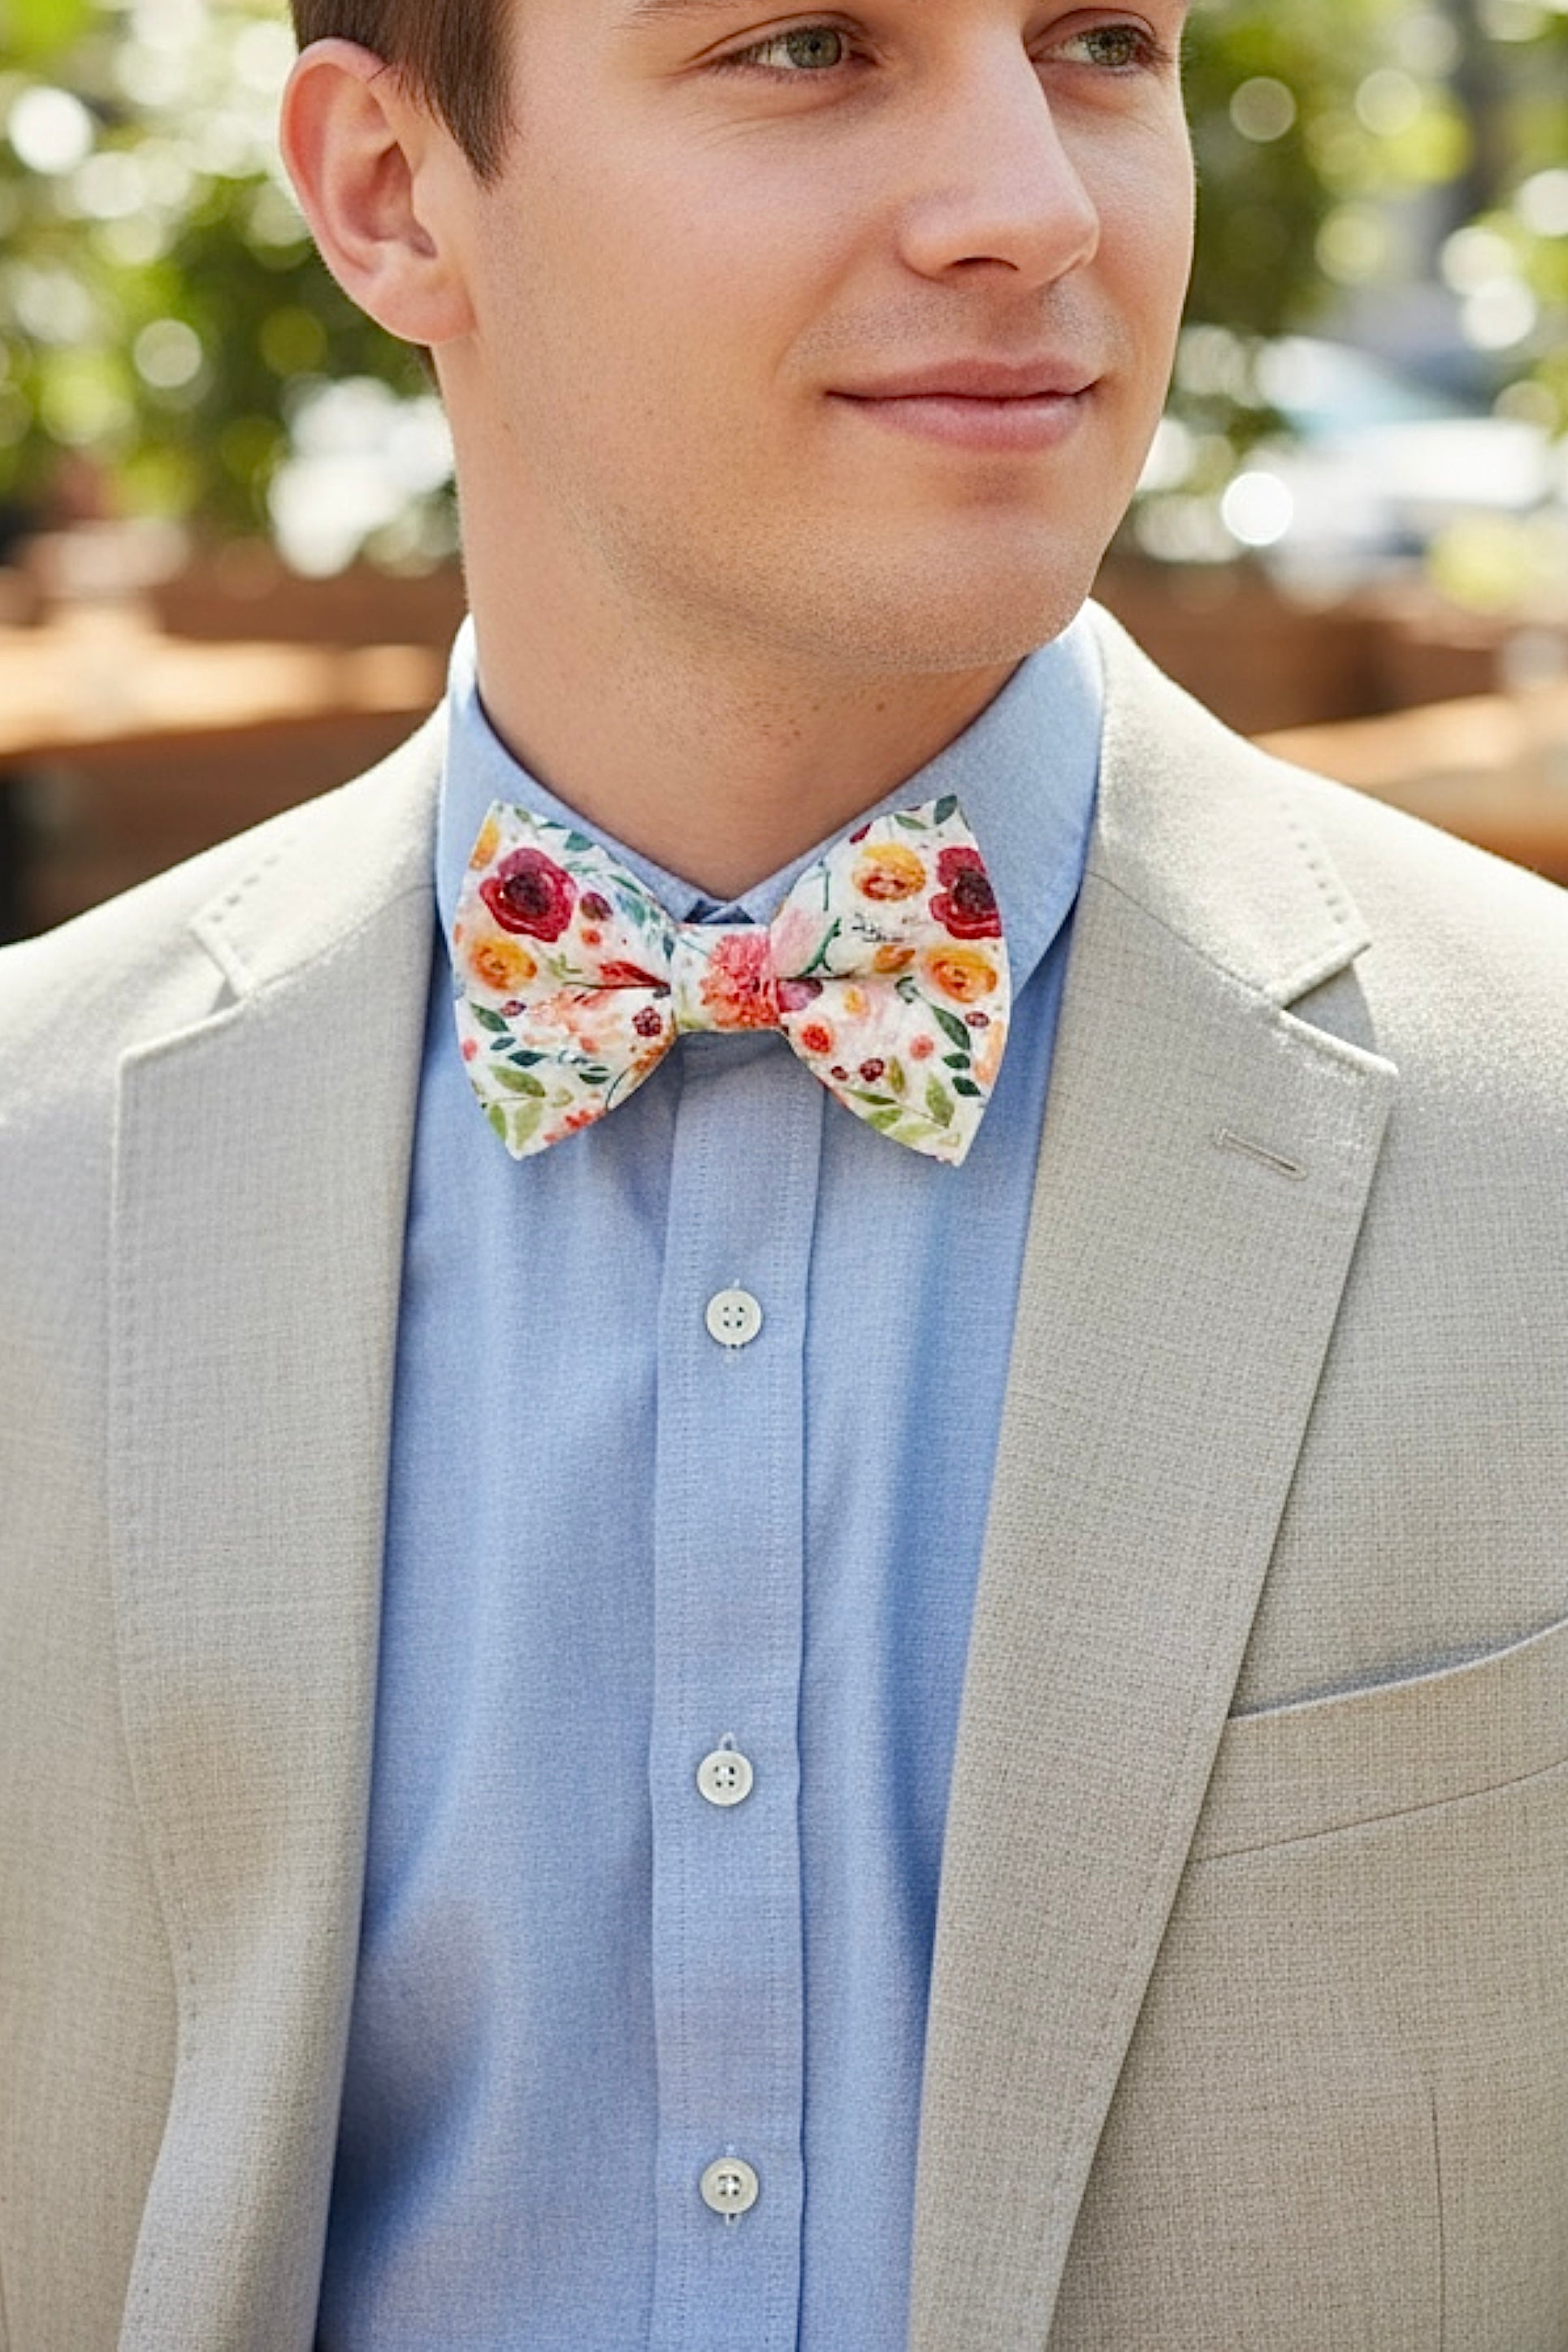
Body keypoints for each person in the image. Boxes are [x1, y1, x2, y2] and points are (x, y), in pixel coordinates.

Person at [4, 0, 1568, 2344]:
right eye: (810, 46)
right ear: (387, 190)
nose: (1032, 201)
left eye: (1097, 44)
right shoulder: (36, 1171)